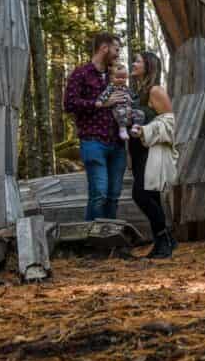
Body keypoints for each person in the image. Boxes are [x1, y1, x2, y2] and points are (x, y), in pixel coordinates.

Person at [64, 32, 128, 221]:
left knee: (113, 196)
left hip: (117, 143)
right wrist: (99, 104)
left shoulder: (115, 74)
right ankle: (92, 243)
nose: (118, 54)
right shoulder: (81, 73)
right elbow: (69, 104)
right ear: (104, 48)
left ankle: (110, 242)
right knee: (99, 193)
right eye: (116, 49)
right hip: (93, 142)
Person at [128, 51, 179, 258]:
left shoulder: (156, 91)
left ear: (148, 66)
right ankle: (162, 244)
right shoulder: (138, 92)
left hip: (152, 152)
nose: (133, 63)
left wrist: (145, 131)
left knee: (140, 195)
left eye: (137, 60)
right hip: (139, 152)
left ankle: (165, 238)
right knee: (152, 198)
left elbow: (169, 123)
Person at [99, 62, 135, 141]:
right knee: (121, 112)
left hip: (128, 108)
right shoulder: (111, 87)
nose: (121, 79)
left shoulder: (125, 87)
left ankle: (135, 126)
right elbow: (105, 94)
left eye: (123, 77)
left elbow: (132, 96)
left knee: (139, 113)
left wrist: (131, 100)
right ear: (111, 77)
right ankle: (122, 128)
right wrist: (100, 101)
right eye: (118, 77)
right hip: (118, 108)